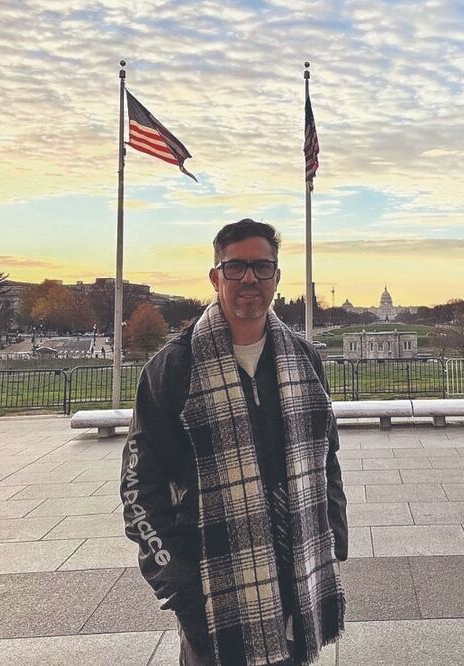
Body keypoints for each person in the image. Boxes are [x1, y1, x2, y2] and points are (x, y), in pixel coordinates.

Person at [120, 219, 348, 666]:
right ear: (215, 276)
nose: (249, 278)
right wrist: (178, 582)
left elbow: (328, 457)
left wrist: (333, 534)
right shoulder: (174, 368)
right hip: (212, 589)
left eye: (262, 268)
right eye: (236, 267)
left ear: (277, 279)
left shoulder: (306, 359)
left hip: (299, 576)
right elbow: (138, 489)